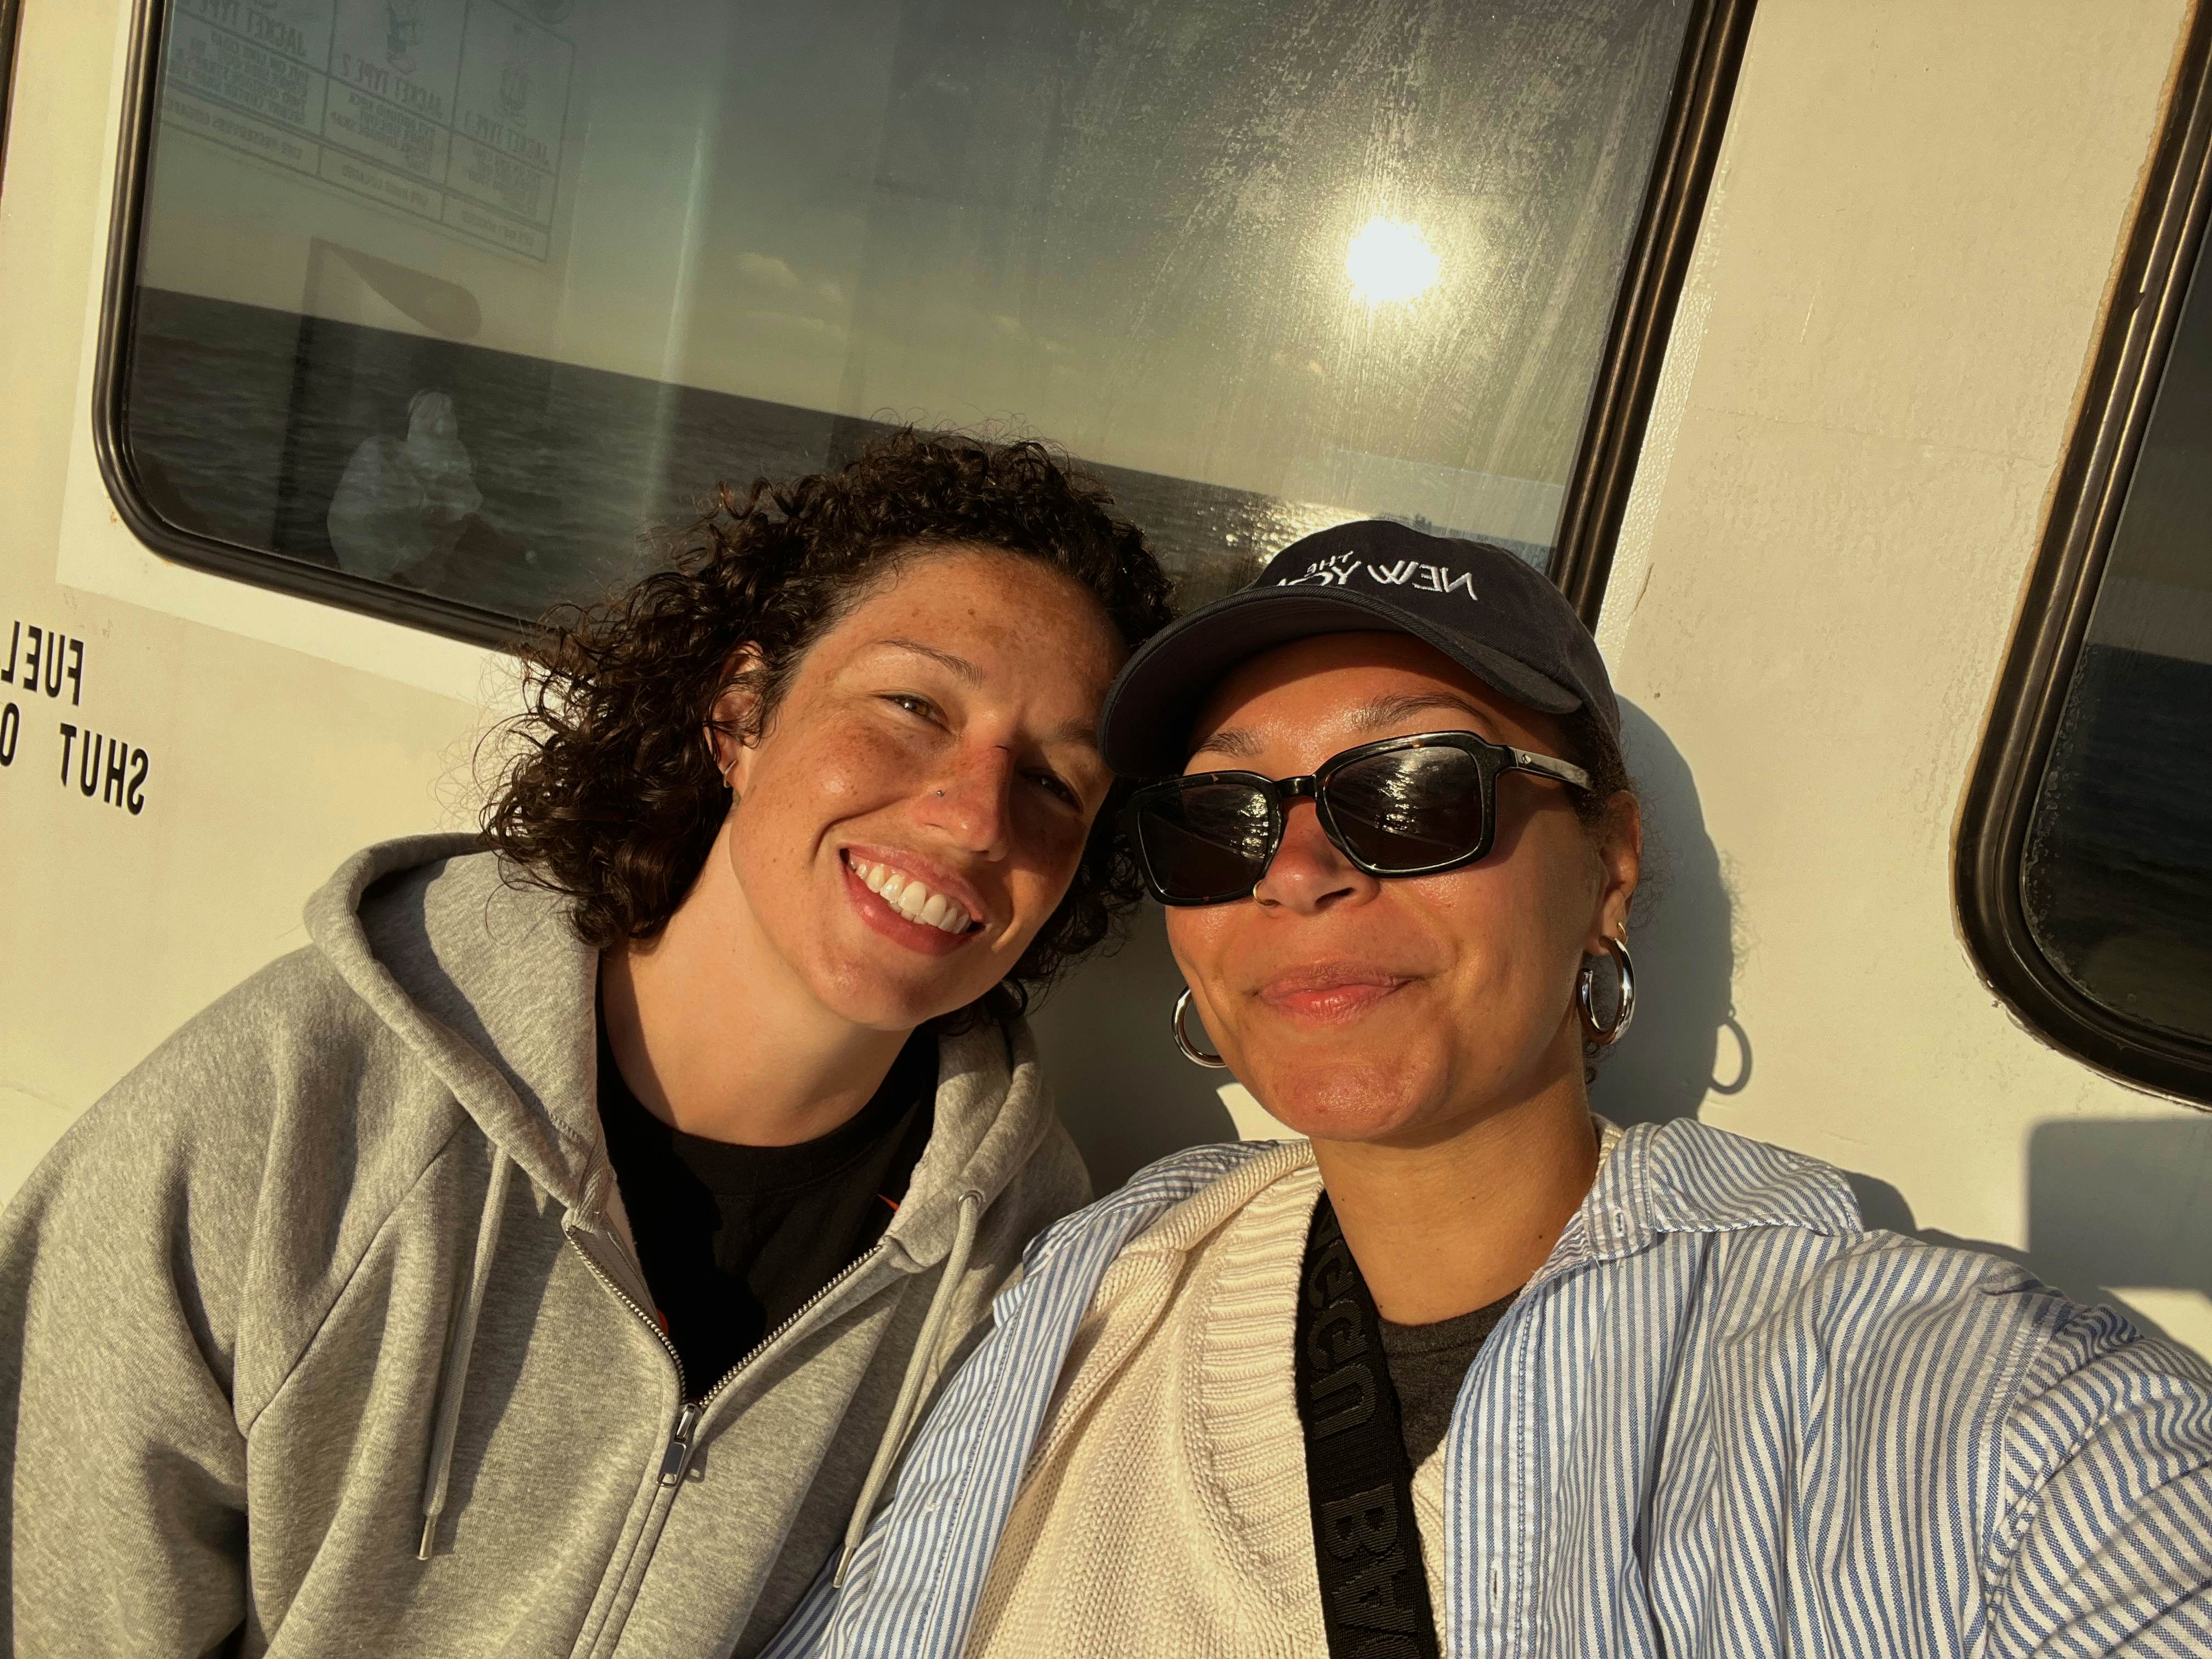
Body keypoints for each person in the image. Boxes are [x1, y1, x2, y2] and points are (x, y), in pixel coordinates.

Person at [766, 520, 2212, 1658]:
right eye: (1221, 818)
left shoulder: (1959, 1413)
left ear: (1609, 867)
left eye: (1412, 792)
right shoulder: (1097, 1276)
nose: (1298, 872)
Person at [0, 432, 1173, 1656]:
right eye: (914, 707)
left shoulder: (1023, 1264)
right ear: (741, 713)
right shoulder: (299, 1107)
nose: (978, 816)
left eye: (1054, 783)